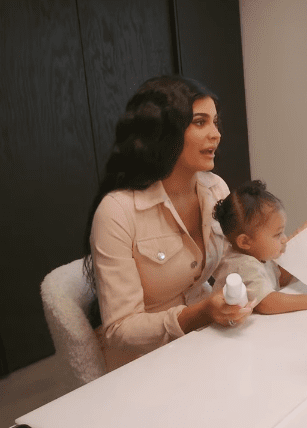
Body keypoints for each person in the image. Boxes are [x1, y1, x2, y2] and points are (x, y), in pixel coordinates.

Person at [83, 76, 255, 371]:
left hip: (205, 340)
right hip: (143, 363)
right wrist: (199, 314)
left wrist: (276, 251)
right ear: (163, 131)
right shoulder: (116, 212)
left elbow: (233, 263)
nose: (216, 134)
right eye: (200, 122)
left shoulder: (215, 188)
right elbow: (120, 329)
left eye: (215, 122)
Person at [212, 180, 307, 314]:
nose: (284, 238)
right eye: (277, 234)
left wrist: (302, 243)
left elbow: (279, 280)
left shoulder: (258, 255)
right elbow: (267, 303)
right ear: (245, 242)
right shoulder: (242, 266)